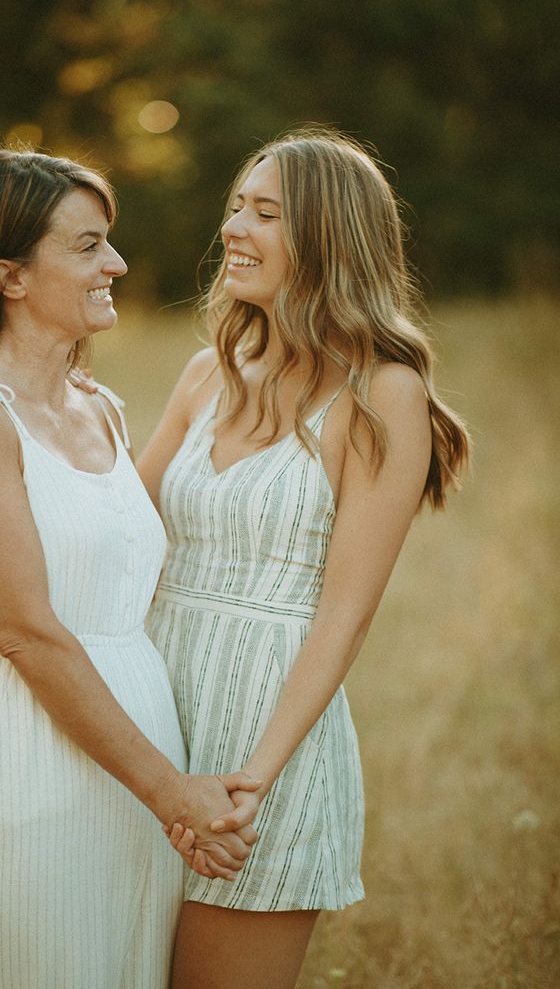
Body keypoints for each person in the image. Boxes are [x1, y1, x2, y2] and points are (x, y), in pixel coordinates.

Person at [0, 149, 260, 989]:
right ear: (10, 275)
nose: (117, 264)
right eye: (88, 245)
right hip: (44, 784)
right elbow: (28, 632)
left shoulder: (101, 407)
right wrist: (173, 794)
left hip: (142, 774)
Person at [138, 127, 471, 989]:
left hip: (264, 739)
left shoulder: (380, 393)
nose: (234, 228)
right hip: (147, 731)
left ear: (325, 238)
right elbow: (125, 534)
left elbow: (346, 612)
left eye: (266, 212)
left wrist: (254, 776)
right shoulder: (205, 376)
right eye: (236, 207)